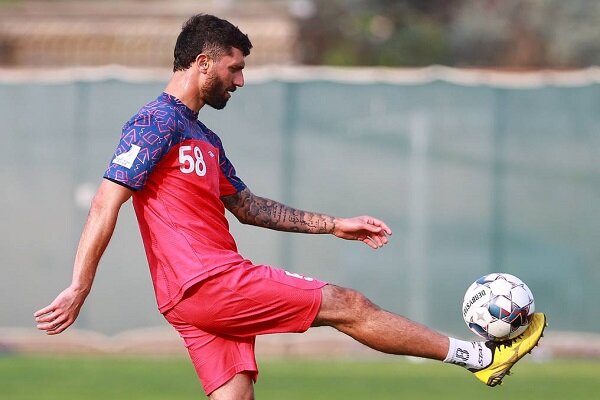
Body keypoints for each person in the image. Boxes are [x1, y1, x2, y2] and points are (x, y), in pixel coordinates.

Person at [34, 14, 546, 399]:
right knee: (349, 304)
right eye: (234, 69)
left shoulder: (204, 138)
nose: (240, 81)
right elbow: (107, 199)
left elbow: (250, 208)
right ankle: (481, 357)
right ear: (202, 62)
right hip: (206, 282)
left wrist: (334, 224)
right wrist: (80, 285)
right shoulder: (155, 123)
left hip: (194, 299)